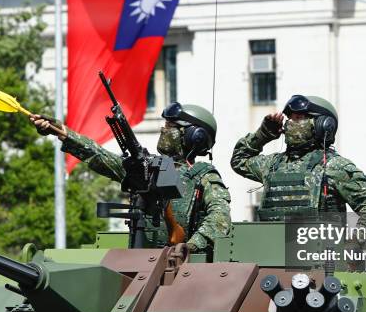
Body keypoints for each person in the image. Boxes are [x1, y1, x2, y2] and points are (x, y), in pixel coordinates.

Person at [31, 103, 232, 253]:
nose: (164, 129)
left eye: (170, 126)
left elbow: (220, 219)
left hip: (182, 269)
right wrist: (64, 133)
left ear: (193, 137)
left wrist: (190, 246)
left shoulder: (203, 175)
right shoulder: (148, 166)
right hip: (139, 262)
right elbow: (101, 156)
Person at [231, 95, 366, 236]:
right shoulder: (271, 164)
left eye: (298, 118)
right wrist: (263, 135)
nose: (290, 123)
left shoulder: (334, 166)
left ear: (322, 124)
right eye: (289, 118)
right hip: (272, 257)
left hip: (322, 260)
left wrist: (355, 242)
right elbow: (239, 161)